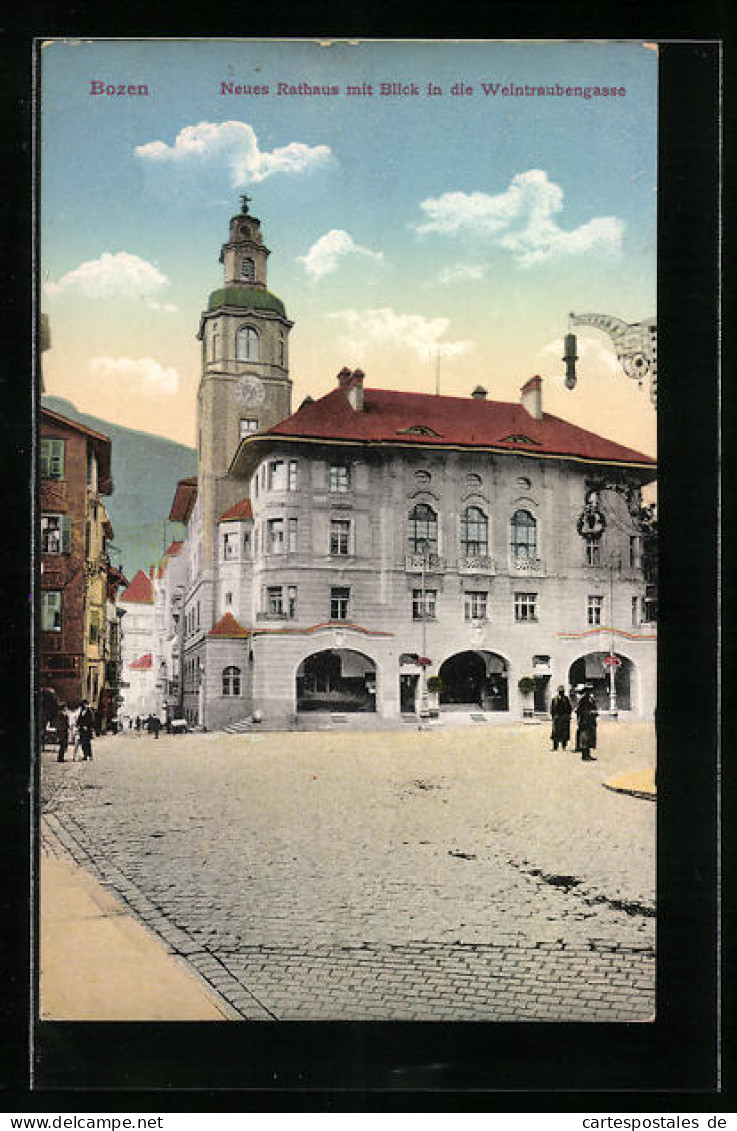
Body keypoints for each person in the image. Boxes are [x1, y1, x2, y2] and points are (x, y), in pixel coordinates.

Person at [576, 686, 598, 762]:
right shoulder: (583, 700)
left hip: (590, 722)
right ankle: (584, 756)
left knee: (589, 739)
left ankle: (588, 755)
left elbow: (594, 708)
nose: (590, 692)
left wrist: (594, 712)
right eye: (588, 690)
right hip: (585, 722)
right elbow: (579, 711)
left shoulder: (590, 699)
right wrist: (589, 713)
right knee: (585, 739)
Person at [550, 685, 572, 751]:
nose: (561, 692)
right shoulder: (554, 699)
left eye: (562, 691)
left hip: (564, 717)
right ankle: (555, 746)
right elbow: (552, 709)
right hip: (557, 718)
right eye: (560, 691)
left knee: (564, 732)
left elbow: (569, 708)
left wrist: (568, 716)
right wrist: (554, 716)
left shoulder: (566, 699)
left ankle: (564, 746)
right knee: (555, 732)